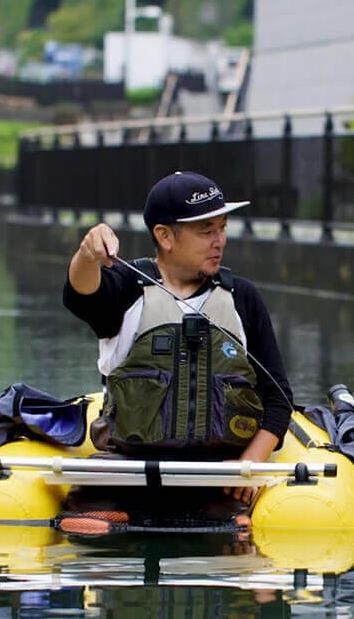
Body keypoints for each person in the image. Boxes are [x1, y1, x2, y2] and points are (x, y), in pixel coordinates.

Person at [64, 171, 294, 504]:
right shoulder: (126, 288)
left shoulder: (243, 297)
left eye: (222, 228)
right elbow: (79, 294)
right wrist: (87, 254)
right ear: (165, 236)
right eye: (206, 232)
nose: (219, 241)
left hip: (220, 478)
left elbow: (278, 398)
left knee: (238, 531)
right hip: (130, 474)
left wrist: (251, 463)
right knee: (87, 525)